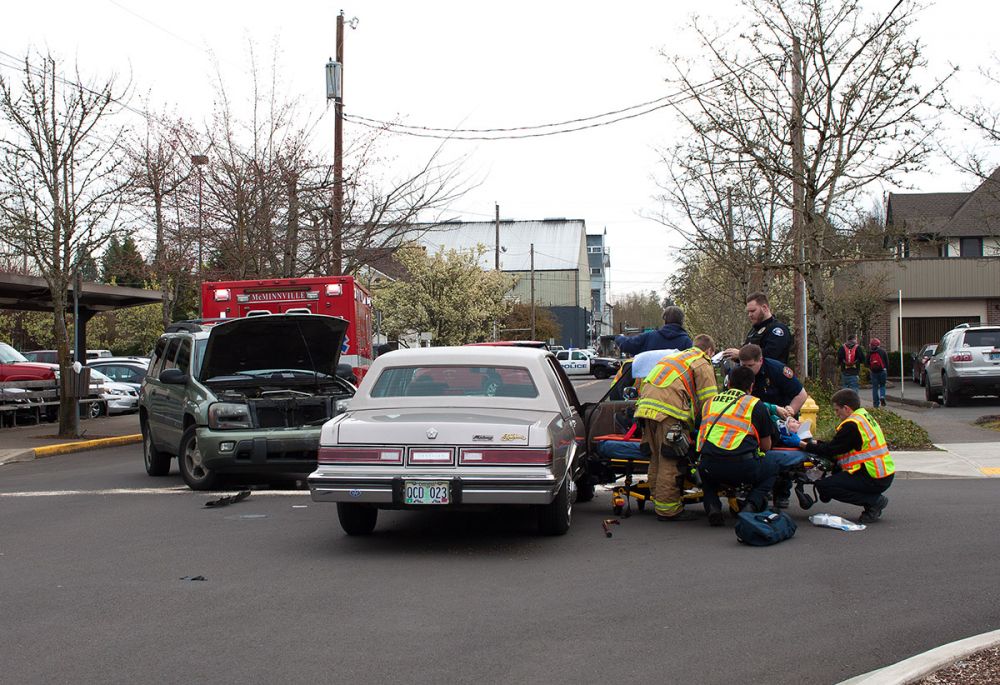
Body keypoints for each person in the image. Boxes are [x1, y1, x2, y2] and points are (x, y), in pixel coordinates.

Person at [634, 334, 717, 521]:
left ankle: (658, 500)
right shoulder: (702, 362)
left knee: (655, 457)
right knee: (669, 460)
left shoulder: (674, 357)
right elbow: (709, 402)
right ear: (710, 351)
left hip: (645, 409)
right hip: (670, 413)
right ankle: (668, 510)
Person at [696, 366, 779, 526]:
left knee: (706, 473)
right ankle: (750, 505)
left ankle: (712, 506)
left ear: (728, 384)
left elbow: (698, 429)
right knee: (772, 467)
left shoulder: (709, 403)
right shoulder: (755, 405)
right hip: (744, 468)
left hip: (710, 466)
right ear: (751, 386)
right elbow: (766, 446)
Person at [795, 388, 894, 523]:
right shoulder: (862, 417)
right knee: (830, 483)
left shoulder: (852, 425)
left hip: (873, 476)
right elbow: (841, 444)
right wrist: (815, 442)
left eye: (837, 410)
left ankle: (874, 502)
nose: (836, 414)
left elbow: (831, 450)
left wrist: (804, 445)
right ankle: (873, 500)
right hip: (881, 473)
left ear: (846, 408)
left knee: (825, 486)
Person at [737, 343, 809, 508]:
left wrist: (790, 411)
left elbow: (801, 394)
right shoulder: (738, 373)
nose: (746, 370)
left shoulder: (777, 370)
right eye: (743, 365)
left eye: (750, 366)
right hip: (754, 419)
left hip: (780, 418)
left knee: (782, 457)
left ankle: (782, 492)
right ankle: (756, 488)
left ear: (760, 360)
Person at [722, 292, 792, 364]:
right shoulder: (754, 330)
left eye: (753, 311)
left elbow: (771, 356)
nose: (750, 315)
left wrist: (741, 354)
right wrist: (733, 356)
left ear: (764, 308)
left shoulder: (778, 330)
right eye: (748, 312)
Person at [615, 306, 693, 357]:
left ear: (664, 320)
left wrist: (618, 338)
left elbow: (626, 345)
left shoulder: (649, 337)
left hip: (651, 381)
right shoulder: (687, 342)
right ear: (681, 321)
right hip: (677, 382)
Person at [867, 338, 889, 408]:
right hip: (882, 371)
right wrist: (885, 368)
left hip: (873, 372)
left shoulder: (869, 352)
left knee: (875, 387)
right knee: (882, 385)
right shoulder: (883, 351)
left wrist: (870, 368)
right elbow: (887, 362)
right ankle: (882, 396)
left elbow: (866, 362)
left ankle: (875, 404)